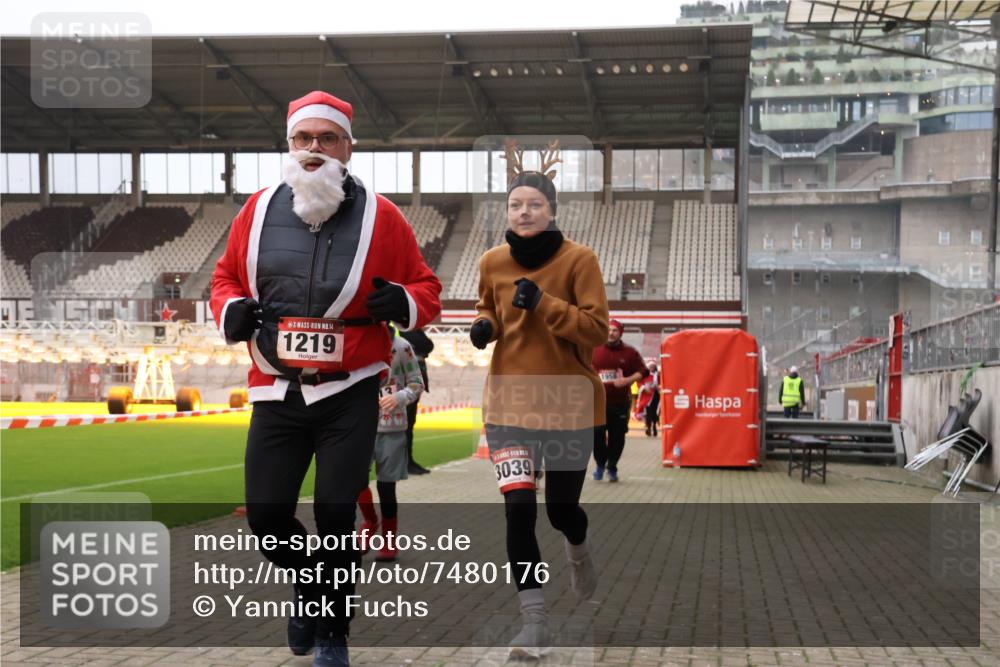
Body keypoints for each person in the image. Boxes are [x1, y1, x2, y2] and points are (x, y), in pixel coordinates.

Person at [210, 90, 442, 667]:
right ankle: (312, 587)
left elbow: (428, 290)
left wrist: (404, 301)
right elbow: (223, 278)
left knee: (337, 514)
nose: (313, 149)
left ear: (348, 148)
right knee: (266, 518)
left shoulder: (383, 216)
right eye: (302, 139)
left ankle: (334, 633)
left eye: (326, 138)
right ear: (289, 146)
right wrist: (229, 310)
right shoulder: (256, 210)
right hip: (276, 389)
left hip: (349, 391)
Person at [470, 164, 609, 658]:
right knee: (519, 512)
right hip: (508, 405)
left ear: (551, 212)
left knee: (561, 510)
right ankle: (535, 623)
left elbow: (596, 331)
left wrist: (546, 304)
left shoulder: (580, 260)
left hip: (568, 405)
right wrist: (484, 326)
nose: (523, 212)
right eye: (515, 205)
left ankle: (578, 550)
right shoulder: (492, 261)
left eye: (534, 205)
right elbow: (487, 307)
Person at [357, 325, 424, 562]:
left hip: (392, 428)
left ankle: (389, 540)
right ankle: (370, 521)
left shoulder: (403, 347)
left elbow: (417, 383)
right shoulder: (360, 339)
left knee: (387, 487)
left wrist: (399, 397)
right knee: (355, 481)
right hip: (359, 425)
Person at [591, 320, 649, 482]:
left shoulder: (630, 353)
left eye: (615, 330)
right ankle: (600, 464)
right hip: (597, 403)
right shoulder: (593, 350)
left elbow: (643, 371)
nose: (611, 333)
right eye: (608, 330)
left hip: (620, 403)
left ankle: (612, 466)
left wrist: (628, 380)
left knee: (617, 437)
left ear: (620, 333)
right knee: (596, 436)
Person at [398, 328, 434, 475]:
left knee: (409, 425)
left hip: (412, 381)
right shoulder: (403, 329)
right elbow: (427, 345)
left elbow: (427, 346)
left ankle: (408, 461)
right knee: (404, 426)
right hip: (405, 381)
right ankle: (404, 462)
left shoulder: (411, 329)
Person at [635, 361, 660, 437]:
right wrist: (644, 388)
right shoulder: (644, 375)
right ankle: (648, 427)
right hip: (647, 396)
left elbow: (662, 383)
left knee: (655, 412)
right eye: (650, 366)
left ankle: (654, 427)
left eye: (653, 366)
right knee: (648, 412)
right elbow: (639, 383)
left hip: (655, 395)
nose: (652, 368)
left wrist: (658, 387)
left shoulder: (658, 375)